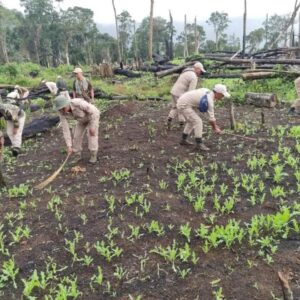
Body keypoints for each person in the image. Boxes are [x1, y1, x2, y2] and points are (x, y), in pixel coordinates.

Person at [177, 84, 230, 151]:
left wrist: (215, 126)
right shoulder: (209, 100)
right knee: (198, 122)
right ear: (217, 93)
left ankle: (183, 140)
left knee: (191, 121)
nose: (223, 97)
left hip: (184, 101)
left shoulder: (207, 91)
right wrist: (215, 128)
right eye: (222, 95)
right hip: (184, 105)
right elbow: (211, 119)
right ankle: (199, 144)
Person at [53, 95, 100, 164]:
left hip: (92, 116)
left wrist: (93, 126)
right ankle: (77, 155)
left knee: (92, 134)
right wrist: (69, 146)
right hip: (81, 120)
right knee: (76, 136)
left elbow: (93, 111)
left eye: (62, 108)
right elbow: (65, 129)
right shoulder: (61, 112)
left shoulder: (78, 103)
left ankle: (93, 155)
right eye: (59, 109)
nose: (61, 111)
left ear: (66, 104)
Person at [167, 62, 206, 129]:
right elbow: (191, 92)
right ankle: (181, 124)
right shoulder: (194, 77)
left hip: (173, 91)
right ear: (197, 68)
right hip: (179, 94)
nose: (201, 73)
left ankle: (170, 119)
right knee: (182, 107)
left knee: (175, 107)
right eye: (200, 71)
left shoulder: (186, 71)